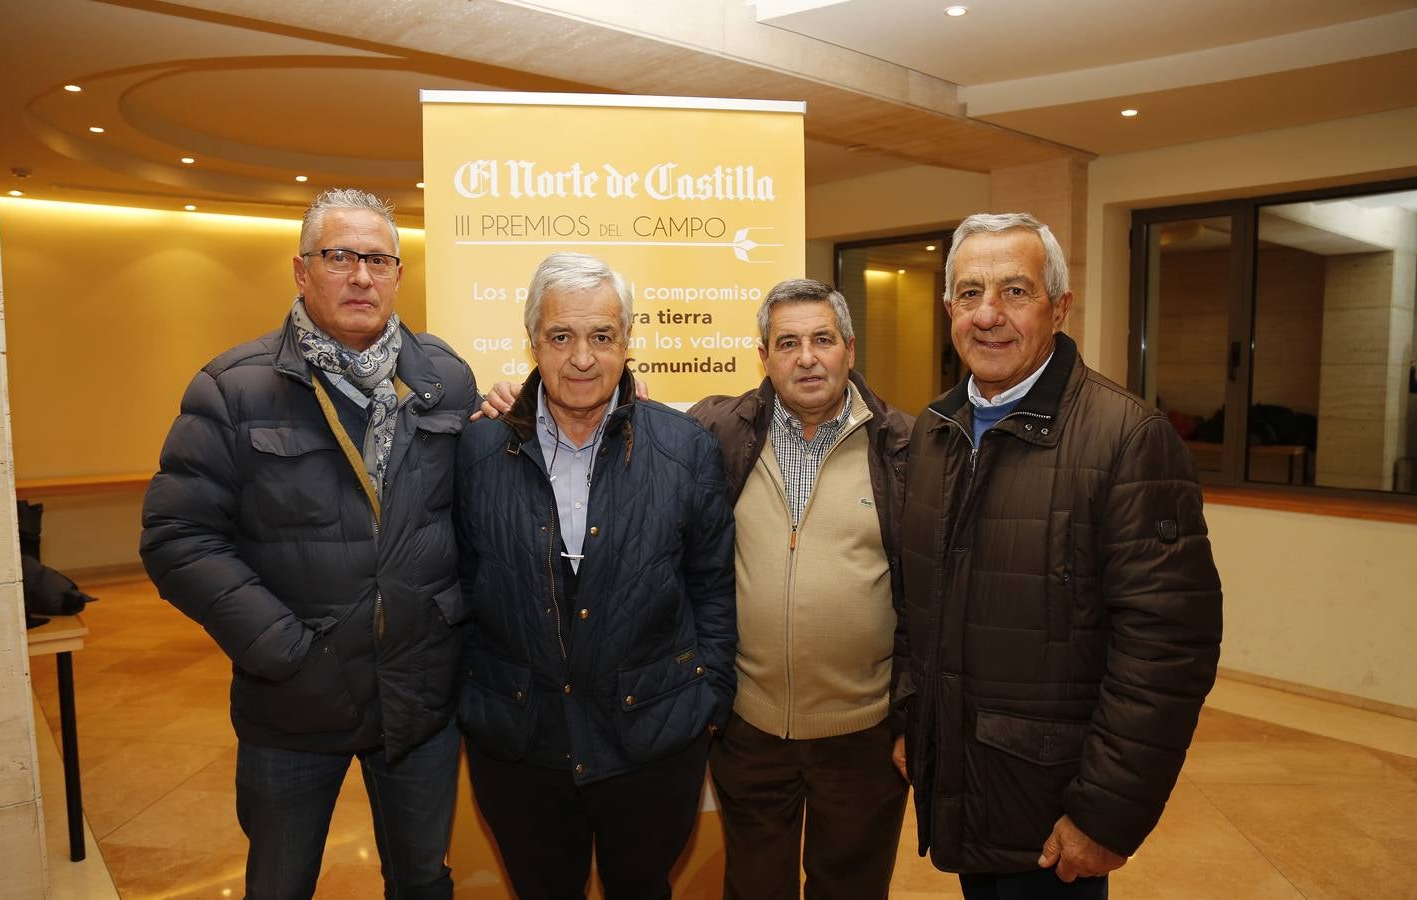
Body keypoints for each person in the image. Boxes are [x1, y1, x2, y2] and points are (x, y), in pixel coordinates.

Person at [140, 189, 477, 899]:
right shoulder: (233, 389)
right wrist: (282, 651)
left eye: (378, 259)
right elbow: (177, 537)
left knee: (423, 879)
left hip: (418, 701)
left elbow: (471, 518)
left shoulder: (443, 378)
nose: (361, 276)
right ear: (301, 271)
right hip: (294, 705)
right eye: (339, 256)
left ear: (397, 274)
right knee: (279, 883)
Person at [898, 213, 1223, 899]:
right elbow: (915, 600)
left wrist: (1105, 814)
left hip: (1054, 809)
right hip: (964, 783)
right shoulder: (934, 430)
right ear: (949, 308)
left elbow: (1167, 648)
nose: (988, 315)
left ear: (1059, 308)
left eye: (1015, 291)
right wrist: (912, 721)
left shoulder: (1127, 438)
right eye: (969, 293)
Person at [455, 251, 737, 900]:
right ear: (533, 343)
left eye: (602, 336)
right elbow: (462, 585)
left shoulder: (685, 447)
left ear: (627, 342)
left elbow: (713, 585)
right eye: (561, 336)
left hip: (652, 741)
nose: (582, 357)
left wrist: (707, 701)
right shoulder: (477, 450)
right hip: (519, 745)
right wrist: (474, 700)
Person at [688, 279, 912, 900]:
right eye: (787, 343)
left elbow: (931, 599)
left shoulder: (907, 447)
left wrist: (913, 716)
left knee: (852, 889)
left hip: (864, 734)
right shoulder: (718, 432)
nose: (807, 357)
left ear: (850, 349)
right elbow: (622, 418)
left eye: (822, 339)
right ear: (763, 357)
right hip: (749, 728)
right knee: (755, 888)